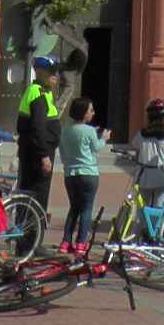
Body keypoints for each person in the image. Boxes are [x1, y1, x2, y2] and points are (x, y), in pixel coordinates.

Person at [14, 56, 63, 211]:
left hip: (36, 151)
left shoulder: (44, 92)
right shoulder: (38, 94)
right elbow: (38, 128)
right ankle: (32, 232)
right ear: (39, 72)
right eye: (51, 72)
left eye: (56, 72)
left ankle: (29, 229)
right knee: (37, 197)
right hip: (37, 154)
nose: (55, 75)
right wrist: (44, 155)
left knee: (30, 194)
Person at [58, 97, 103, 251]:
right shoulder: (89, 130)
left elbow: (63, 154)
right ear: (84, 113)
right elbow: (96, 147)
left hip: (70, 174)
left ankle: (66, 241)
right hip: (89, 173)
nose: (93, 113)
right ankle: (81, 242)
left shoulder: (65, 131)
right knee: (86, 209)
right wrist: (103, 138)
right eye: (91, 110)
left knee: (74, 208)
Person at [134, 99, 164, 214]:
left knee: (142, 210)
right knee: (158, 209)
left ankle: (142, 230)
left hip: (144, 176)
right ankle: (156, 231)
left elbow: (137, 156)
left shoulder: (141, 134)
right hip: (163, 175)